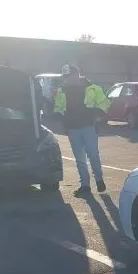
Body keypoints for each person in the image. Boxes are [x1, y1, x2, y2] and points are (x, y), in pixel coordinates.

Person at [53, 65, 110, 197]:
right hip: (72, 129)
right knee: (80, 159)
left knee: (93, 155)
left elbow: (104, 103)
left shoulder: (93, 88)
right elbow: (58, 107)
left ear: (76, 75)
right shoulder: (62, 91)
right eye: (65, 77)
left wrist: (96, 112)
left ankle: (99, 179)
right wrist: (59, 115)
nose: (67, 79)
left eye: (69, 76)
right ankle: (85, 185)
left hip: (88, 126)